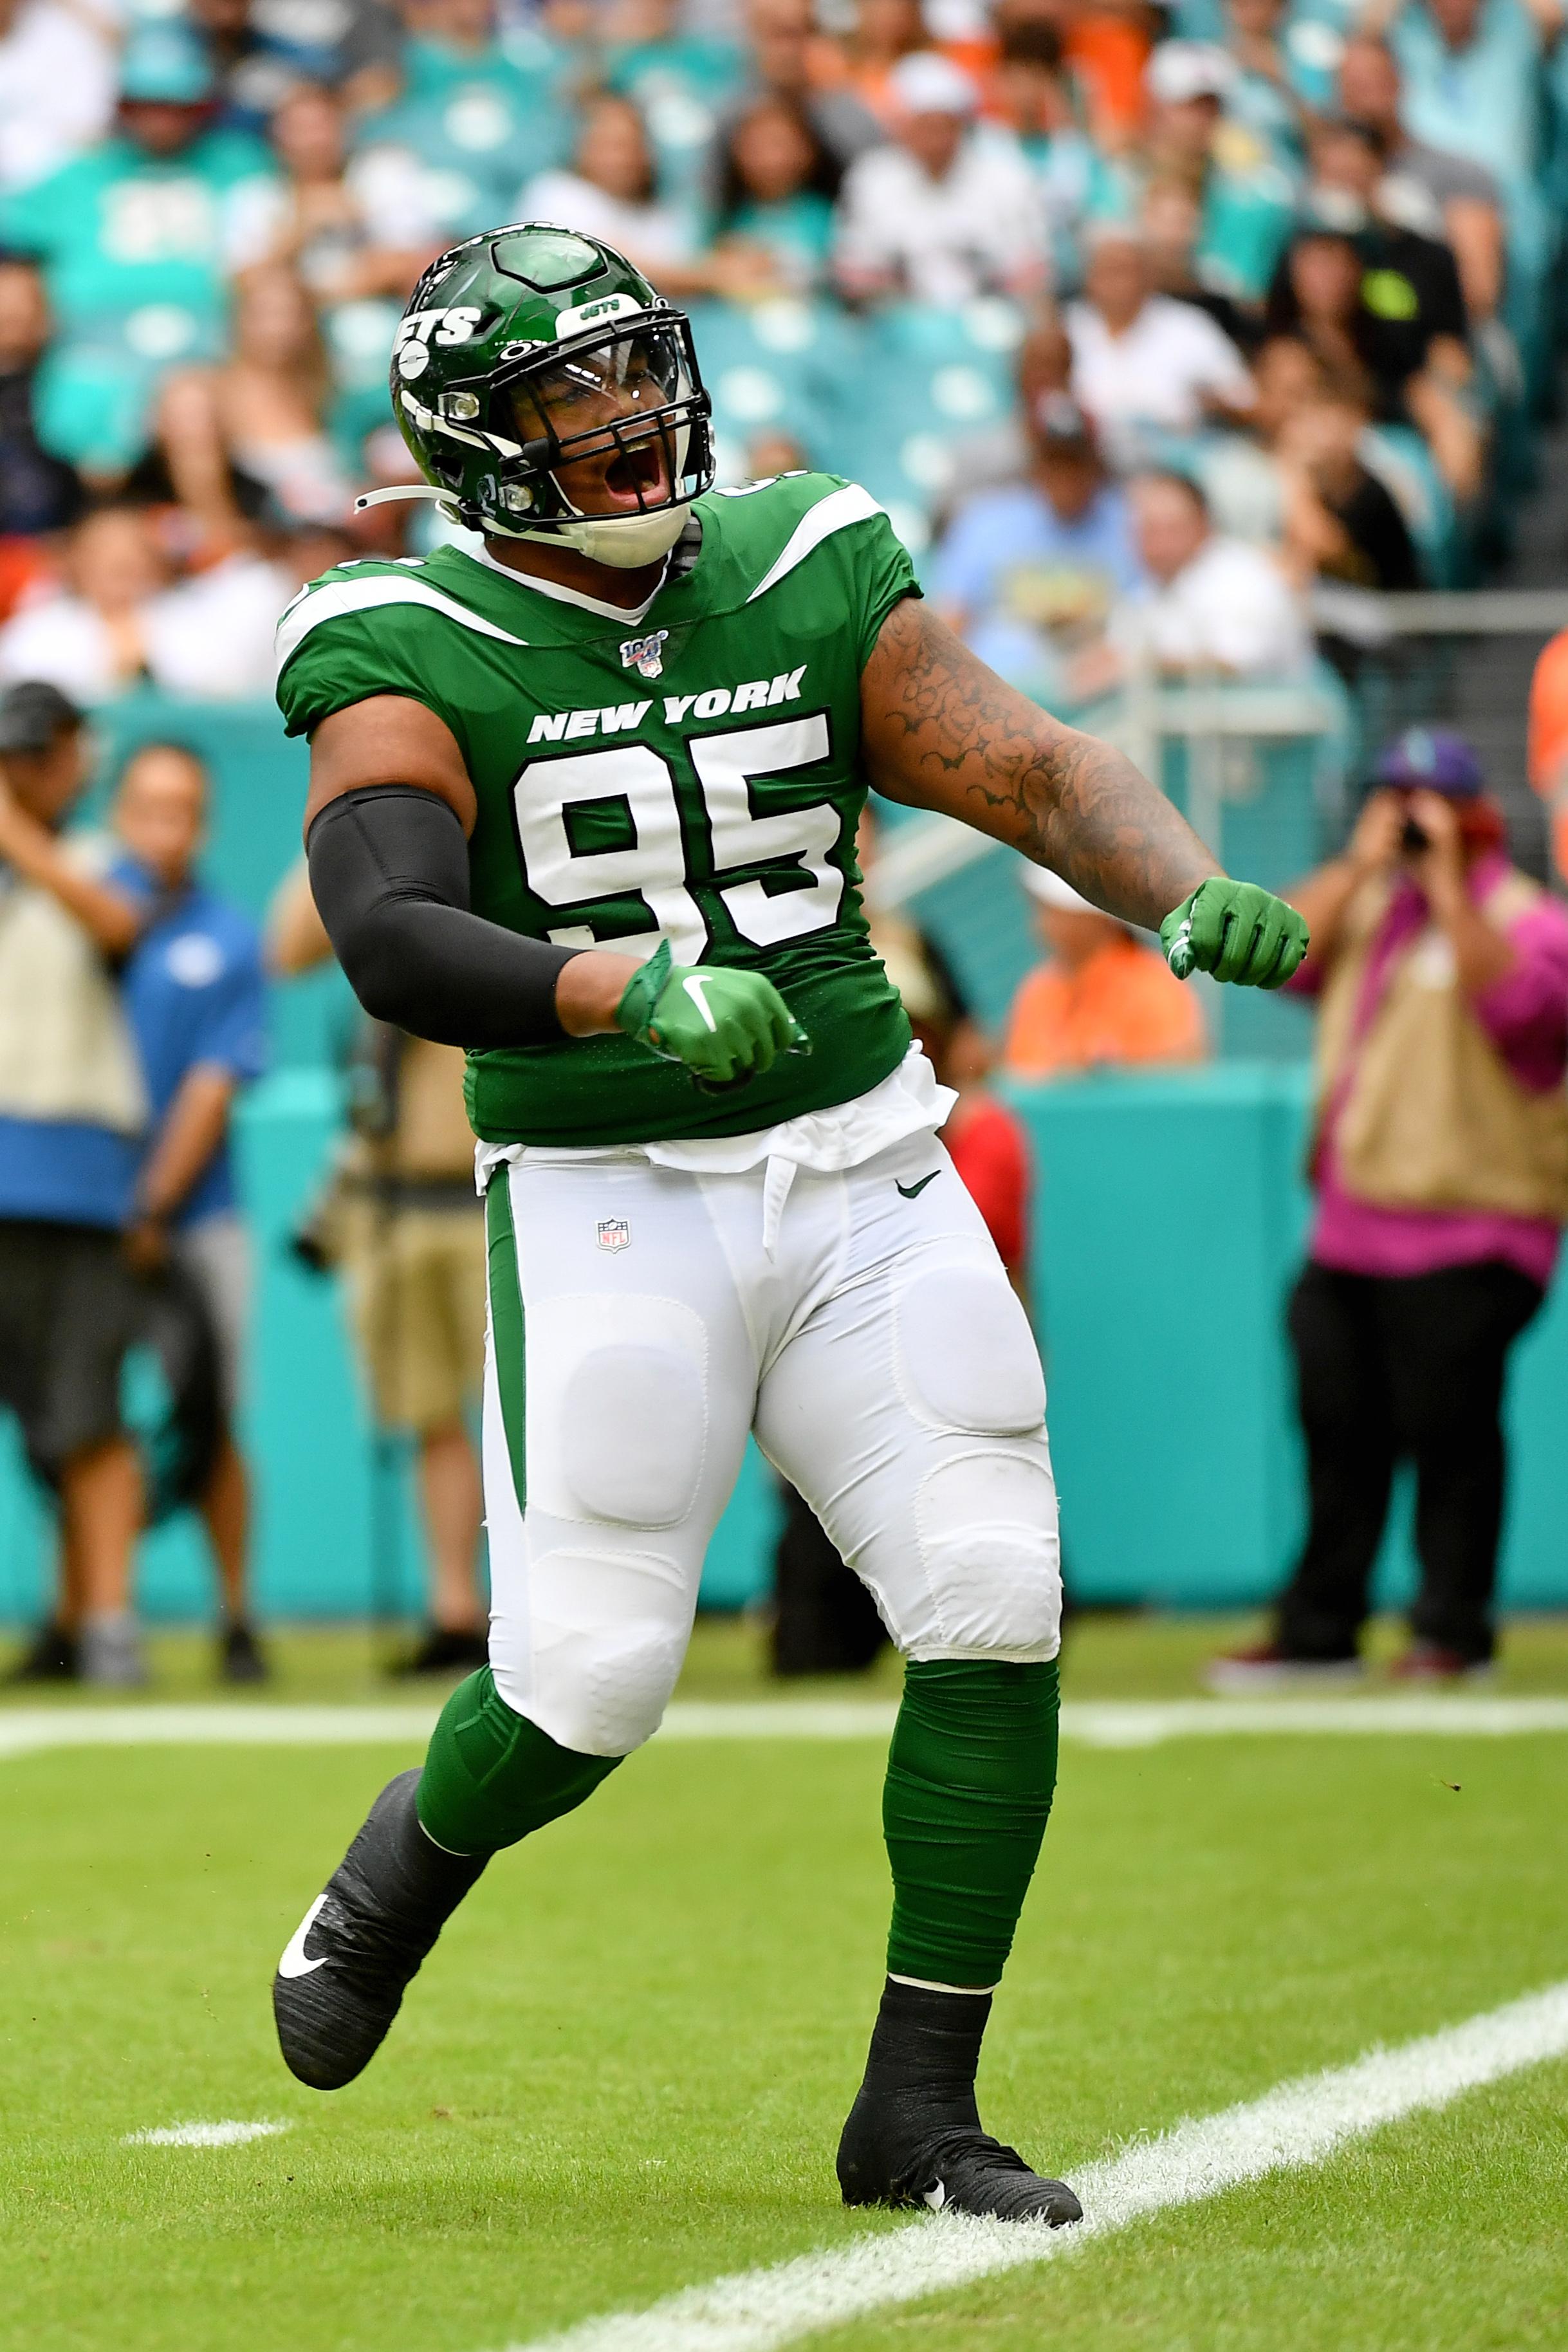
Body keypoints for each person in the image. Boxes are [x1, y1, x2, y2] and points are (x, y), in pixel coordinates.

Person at [267, 221, 1307, 2225]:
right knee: (590, 1678)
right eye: (574, 400)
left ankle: (916, 2105)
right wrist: (610, 988)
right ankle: (398, 1872)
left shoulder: (798, 553)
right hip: (605, 1190)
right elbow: (389, 928)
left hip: (857, 1154)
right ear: (476, 444)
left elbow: (1022, 763)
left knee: (993, 1586)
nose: (632, 422)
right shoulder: (398, 629)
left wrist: (1166, 890)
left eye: (640, 372)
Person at [1215, 729, 1568, 1687]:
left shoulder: (1527, 920)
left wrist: (1450, 884)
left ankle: (1452, 1629)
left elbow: (1529, 1018)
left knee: (1448, 1433)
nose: (1408, 817)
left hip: (1476, 1224)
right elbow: (1278, 955)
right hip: (1352, 1228)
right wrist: (1356, 862)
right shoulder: (1369, 906)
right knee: (1336, 1426)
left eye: (1427, 800)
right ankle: (1317, 1629)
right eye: (1392, 797)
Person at [268, 865, 491, 1676]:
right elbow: (288, 948)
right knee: (427, 1414)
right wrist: (338, 819)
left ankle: (546, 1606)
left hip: (484, 1187)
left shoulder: (482, 864)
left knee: (527, 1417)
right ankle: (454, 1609)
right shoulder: (383, 870)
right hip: (393, 1197)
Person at [109, 743, 270, 1683]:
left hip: (198, 1215)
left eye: (183, 809)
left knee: (215, 1412)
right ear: (123, 812)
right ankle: (91, 1613)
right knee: (86, 1421)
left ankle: (236, 1615)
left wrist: (152, 1202)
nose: (164, 824)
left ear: (202, 823)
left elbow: (213, 1087)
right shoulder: (87, 916)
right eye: (148, 806)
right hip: (89, 1217)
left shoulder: (227, 936)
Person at [0, 683, 148, 1685]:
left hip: (79, 1173)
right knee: (39, 1420)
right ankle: (60, 1618)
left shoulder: (99, 860)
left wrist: (14, 833)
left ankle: (108, 1624)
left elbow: (117, 924)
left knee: (87, 1408)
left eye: (35, 754)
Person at [930, 394, 1143, 701]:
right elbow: (950, 623)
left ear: (1096, 464)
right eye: (1054, 463)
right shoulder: (984, 520)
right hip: (997, 700)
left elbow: (1148, 620)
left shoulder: (1132, 522)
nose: (1065, 478)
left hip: (1102, 705)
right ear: (1035, 465)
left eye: (1075, 464)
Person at [833, 51, 1049, 306]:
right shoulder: (871, 179)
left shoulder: (1007, 178)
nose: (935, 140)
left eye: (944, 126)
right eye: (924, 125)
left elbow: (1032, 269)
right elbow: (854, 266)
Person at [1065, 225, 1255, 471]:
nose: (1118, 284)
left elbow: (1243, 399)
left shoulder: (1190, 327)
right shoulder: (1067, 330)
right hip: (1089, 468)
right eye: (1107, 272)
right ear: (1089, 279)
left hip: (1178, 465)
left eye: (1126, 271)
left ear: (1149, 276)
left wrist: (1210, 405)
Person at [1105, 469, 1313, 684]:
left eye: (1172, 529)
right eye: (1149, 530)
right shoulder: (1146, 590)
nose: (1159, 543)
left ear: (1204, 524)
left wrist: (1136, 665)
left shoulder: (1245, 578)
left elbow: (1233, 664)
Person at [1004, 862, 1208, 1077]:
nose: (1042, 922)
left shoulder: (1151, 983)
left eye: (1054, 910)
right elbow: (1019, 1074)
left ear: (1097, 918)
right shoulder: (1040, 988)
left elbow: (1178, 1075)